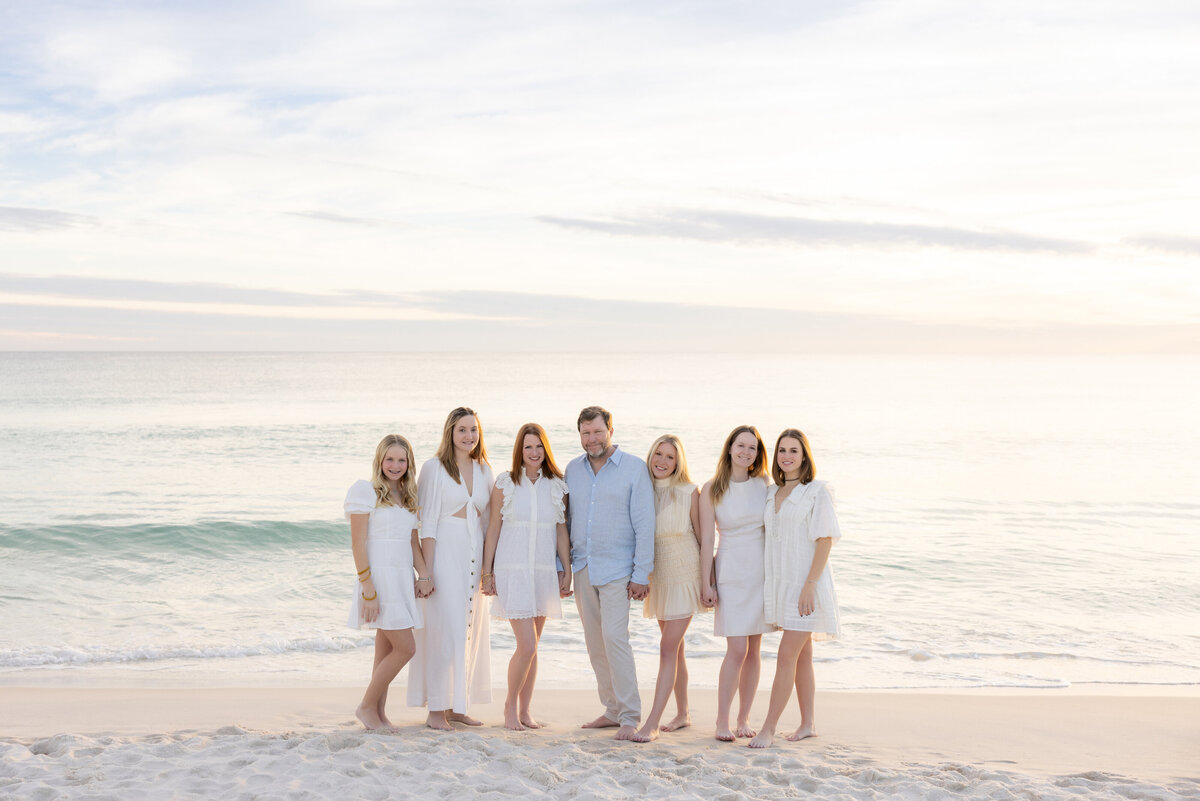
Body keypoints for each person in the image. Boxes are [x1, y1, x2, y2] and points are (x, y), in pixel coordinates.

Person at [564, 405, 655, 741]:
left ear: (610, 431)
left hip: (619, 569)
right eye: (586, 433)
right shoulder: (572, 470)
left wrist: (641, 573)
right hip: (583, 566)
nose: (592, 439)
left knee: (616, 639)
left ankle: (630, 715)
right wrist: (564, 568)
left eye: (597, 432)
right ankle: (612, 709)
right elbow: (567, 521)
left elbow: (645, 523)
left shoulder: (634, 468)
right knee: (594, 643)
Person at [749, 429, 841, 748]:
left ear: (805, 456)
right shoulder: (771, 492)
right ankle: (808, 724)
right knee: (802, 658)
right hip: (781, 585)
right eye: (782, 450)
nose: (787, 456)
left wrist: (809, 587)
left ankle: (768, 729)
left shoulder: (816, 491)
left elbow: (825, 540)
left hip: (806, 587)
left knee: (786, 655)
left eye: (794, 450)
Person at [480, 423, 573, 731]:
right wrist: (487, 572)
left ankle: (525, 710)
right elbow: (493, 528)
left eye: (538, 446)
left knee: (534, 647)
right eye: (528, 447)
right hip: (512, 571)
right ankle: (509, 707)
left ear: (546, 449)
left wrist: (567, 570)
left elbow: (560, 530)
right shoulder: (505, 483)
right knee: (527, 646)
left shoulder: (557, 485)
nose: (534, 453)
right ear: (520, 451)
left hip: (544, 573)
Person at [407, 407, 495, 730]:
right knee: (443, 631)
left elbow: (488, 522)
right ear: (450, 433)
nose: (469, 436)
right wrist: (426, 572)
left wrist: (489, 569)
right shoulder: (434, 469)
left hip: (473, 559)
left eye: (473, 430)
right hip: (444, 557)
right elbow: (425, 523)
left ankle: (459, 705)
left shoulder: (485, 470)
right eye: (462, 430)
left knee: (469, 630)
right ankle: (436, 710)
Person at [344, 434, 434, 731]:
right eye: (390, 459)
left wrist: (424, 575)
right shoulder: (365, 491)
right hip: (378, 581)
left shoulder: (408, 498)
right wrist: (367, 587)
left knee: (384, 651)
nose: (395, 465)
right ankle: (367, 706)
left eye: (401, 460)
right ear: (380, 460)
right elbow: (358, 545)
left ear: (409, 464)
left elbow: (412, 543)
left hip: (400, 580)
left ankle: (379, 713)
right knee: (406, 648)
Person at [699, 424, 772, 742]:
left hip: (760, 571)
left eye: (752, 448)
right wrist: (706, 582)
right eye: (740, 445)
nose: (746, 452)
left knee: (754, 649)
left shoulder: (764, 484)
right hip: (729, 569)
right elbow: (706, 540)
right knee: (737, 649)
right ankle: (722, 721)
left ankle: (744, 719)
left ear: (758, 454)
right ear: (729, 448)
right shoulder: (712, 487)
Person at [632, 434, 706, 743]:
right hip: (659, 577)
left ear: (678, 463)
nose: (662, 461)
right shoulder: (641, 490)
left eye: (669, 457)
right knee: (675, 648)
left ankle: (652, 722)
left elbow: (704, 540)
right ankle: (683, 713)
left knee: (667, 648)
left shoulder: (690, 492)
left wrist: (709, 582)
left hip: (686, 575)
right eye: (658, 454)